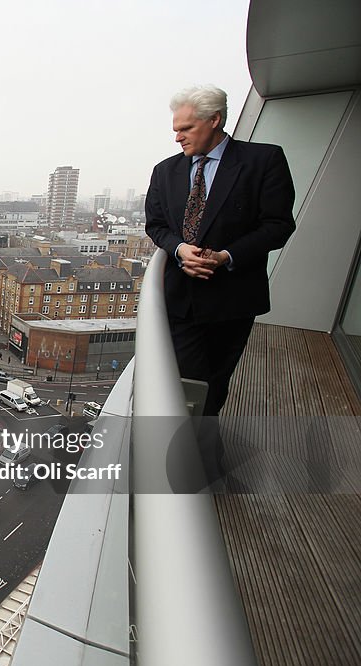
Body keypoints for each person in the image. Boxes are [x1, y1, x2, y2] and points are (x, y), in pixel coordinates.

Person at [145, 85, 295, 417]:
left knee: (214, 384)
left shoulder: (263, 161)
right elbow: (155, 226)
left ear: (214, 120)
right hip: (180, 299)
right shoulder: (165, 171)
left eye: (186, 129)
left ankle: (204, 454)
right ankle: (189, 454)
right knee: (185, 384)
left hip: (232, 299)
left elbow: (279, 225)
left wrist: (225, 256)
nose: (178, 138)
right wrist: (180, 248)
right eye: (176, 130)